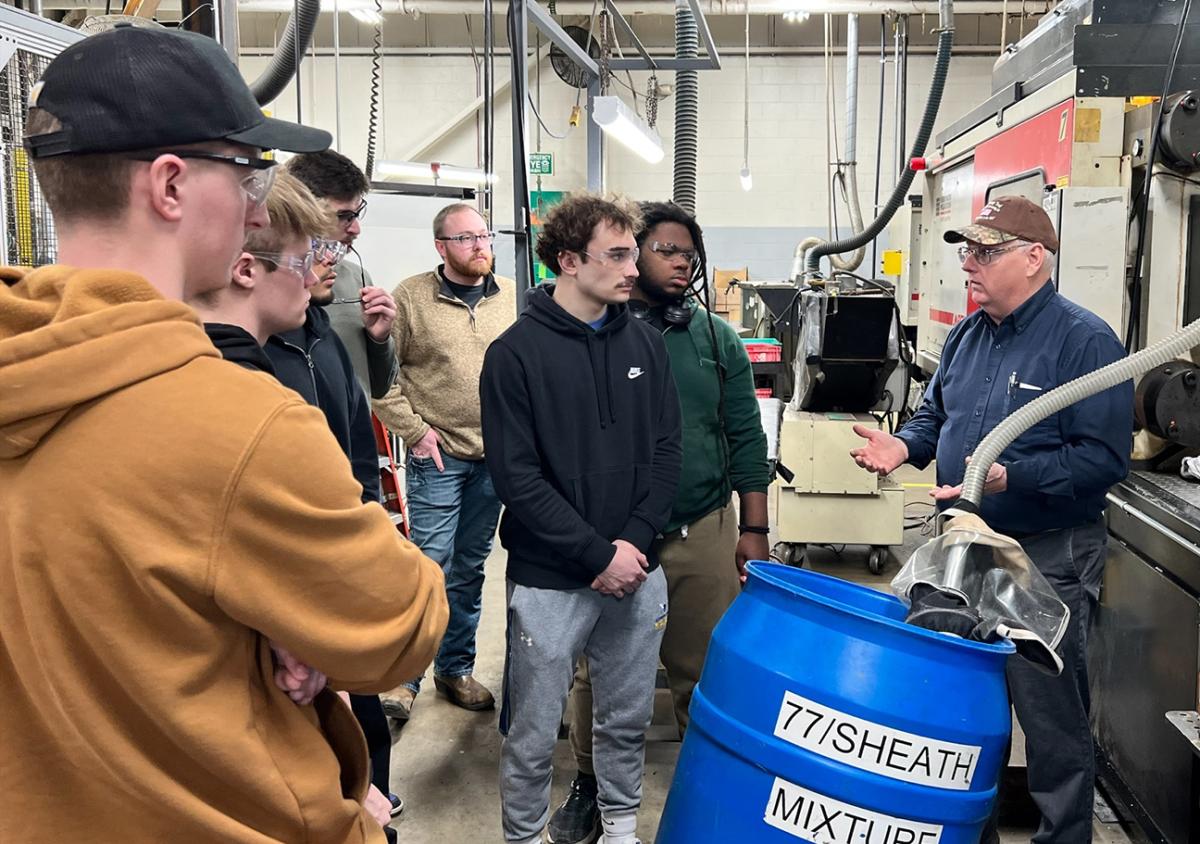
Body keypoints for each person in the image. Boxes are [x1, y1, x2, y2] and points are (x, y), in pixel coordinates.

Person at [0, 25, 448, 844]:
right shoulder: (242, 426)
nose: (256, 204)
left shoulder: (23, 369)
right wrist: (291, 611)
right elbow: (401, 627)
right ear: (170, 185)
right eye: (246, 171)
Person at [850, 195, 1133, 844]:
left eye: (985, 251)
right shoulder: (969, 335)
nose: (968, 264)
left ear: (1034, 259)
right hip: (959, 554)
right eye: (966, 251)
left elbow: (1104, 459)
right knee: (956, 710)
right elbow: (935, 417)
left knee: (1052, 723)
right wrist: (904, 444)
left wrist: (1014, 475)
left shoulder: (1085, 342)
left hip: (1044, 557)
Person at [550, 201, 770, 844]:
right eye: (667, 251)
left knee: (705, 667)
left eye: (690, 254)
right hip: (615, 538)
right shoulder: (590, 334)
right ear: (628, 254)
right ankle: (589, 784)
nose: (683, 263)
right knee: (597, 670)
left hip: (701, 525)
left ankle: (712, 784)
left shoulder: (713, 337)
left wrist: (752, 530)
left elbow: (744, 435)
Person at [480, 194, 683, 844]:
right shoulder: (514, 355)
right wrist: (599, 555)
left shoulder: (646, 344)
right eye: (618, 254)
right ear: (568, 261)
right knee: (534, 731)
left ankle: (621, 829)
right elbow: (518, 479)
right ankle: (522, 836)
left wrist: (635, 542)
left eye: (633, 252)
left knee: (624, 721)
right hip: (550, 582)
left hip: (636, 571)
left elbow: (665, 448)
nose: (634, 267)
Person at [373, 202, 516, 720]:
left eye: (485, 236)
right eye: (467, 239)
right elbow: (379, 377)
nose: (481, 246)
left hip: (494, 458)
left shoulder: (510, 298)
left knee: (471, 568)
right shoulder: (410, 297)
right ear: (441, 247)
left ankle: (454, 668)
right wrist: (414, 432)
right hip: (438, 455)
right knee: (429, 566)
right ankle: (402, 680)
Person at [287, 150, 398, 399]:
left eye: (357, 214)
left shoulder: (356, 280)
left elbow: (378, 389)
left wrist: (379, 340)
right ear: (302, 210)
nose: (356, 228)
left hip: (350, 434)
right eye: (344, 217)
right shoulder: (266, 284)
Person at [190, 169, 328, 370]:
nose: (312, 279)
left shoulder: (170, 360)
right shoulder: (249, 392)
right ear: (245, 271)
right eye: (303, 263)